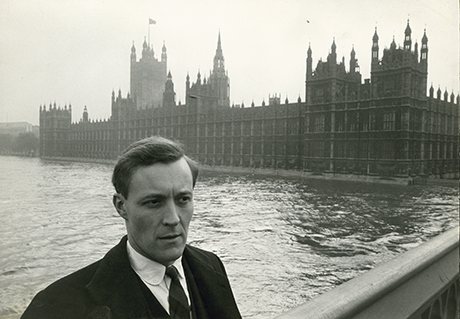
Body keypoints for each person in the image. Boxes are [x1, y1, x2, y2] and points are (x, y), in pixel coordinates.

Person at [22, 136, 241, 319]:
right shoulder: (57, 306)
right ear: (121, 206)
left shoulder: (212, 266)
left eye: (183, 199)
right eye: (154, 202)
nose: (173, 219)